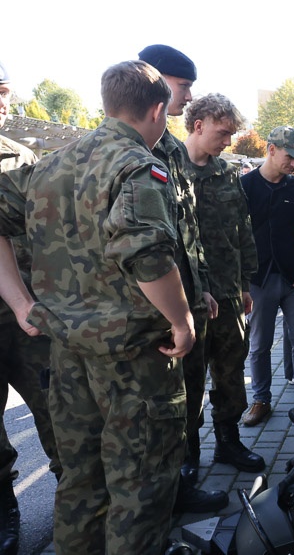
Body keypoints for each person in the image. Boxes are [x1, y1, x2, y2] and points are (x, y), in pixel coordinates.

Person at [0, 60, 191, 555]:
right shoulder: (135, 166)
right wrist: (181, 320)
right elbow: (147, 255)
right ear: (156, 110)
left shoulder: (49, 165)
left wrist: (22, 303)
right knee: (141, 489)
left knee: (82, 485)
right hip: (134, 362)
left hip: (67, 357)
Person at [139, 44, 227, 513]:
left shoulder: (170, 148)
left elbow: (186, 227)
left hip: (187, 302)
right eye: (183, 86)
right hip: (147, 312)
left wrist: (204, 286)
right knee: (156, 415)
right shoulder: (126, 147)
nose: (189, 96)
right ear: (155, 80)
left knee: (188, 401)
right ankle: (160, 499)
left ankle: (184, 483)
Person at [184, 94, 264, 478]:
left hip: (229, 291)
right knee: (189, 377)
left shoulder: (227, 172)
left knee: (230, 371)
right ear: (198, 124)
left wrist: (246, 282)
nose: (229, 141)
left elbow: (243, 229)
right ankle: (188, 455)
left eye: (232, 134)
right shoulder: (166, 167)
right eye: (223, 132)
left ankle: (229, 443)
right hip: (187, 297)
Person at [0, 60, 60, 554]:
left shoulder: (22, 160)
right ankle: (5, 510)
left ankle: (79, 497)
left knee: (55, 406)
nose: (0, 103)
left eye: (3, 92)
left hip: (26, 311)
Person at [242, 126, 294, 426]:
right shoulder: (245, 186)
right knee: (260, 344)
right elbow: (235, 235)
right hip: (259, 279)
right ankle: (260, 400)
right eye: (290, 157)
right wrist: (242, 283)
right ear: (271, 149)